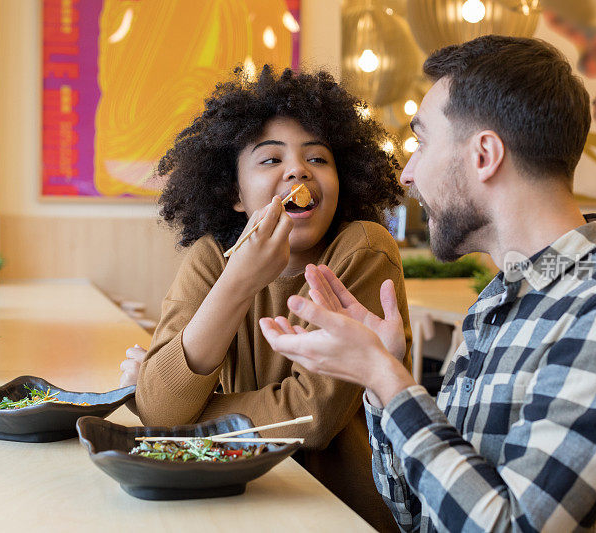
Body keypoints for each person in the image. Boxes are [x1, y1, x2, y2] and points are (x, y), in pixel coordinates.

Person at [260, 36, 596, 531]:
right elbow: (418, 515)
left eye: (421, 144)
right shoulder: (501, 301)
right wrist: (381, 381)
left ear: (484, 155)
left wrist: (389, 379)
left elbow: (509, 526)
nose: (407, 174)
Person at [118, 65, 411, 531]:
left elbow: (309, 418)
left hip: (339, 513)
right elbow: (159, 406)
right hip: (232, 503)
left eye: (318, 159)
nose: (297, 169)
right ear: (235, 193)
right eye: (270, 160)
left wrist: (184, 418)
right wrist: (237, 282)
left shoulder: (363, 248)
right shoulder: (212, 257)